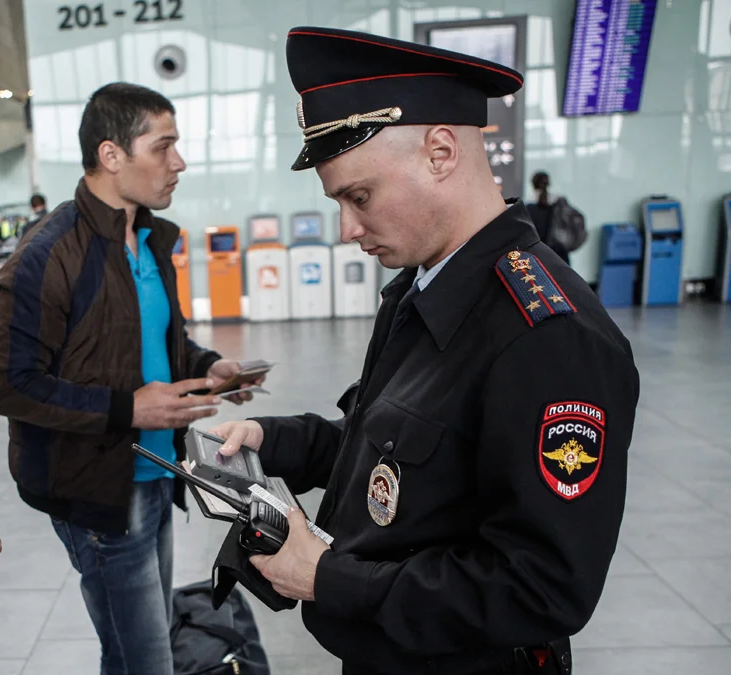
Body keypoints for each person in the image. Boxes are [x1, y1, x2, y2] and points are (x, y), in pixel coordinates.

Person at [209, 28, 639, 675]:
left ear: (441, 152)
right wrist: (277, 441)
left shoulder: (548, 337)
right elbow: (396, 450)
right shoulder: (423, 288)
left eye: (360, 196)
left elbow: (541, 587)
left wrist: (329, 577)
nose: (348, 229)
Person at [0, 82, 263, 675]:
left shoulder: (150, 240)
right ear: (111, 155)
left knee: (136, 652)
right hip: (100, 492)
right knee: (148, 661)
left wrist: (207, 367)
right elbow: (8, 383)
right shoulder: (49, 254)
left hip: (157, 472)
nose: (178, 162)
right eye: (163, 147)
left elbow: (152, 341)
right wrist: (127, 410)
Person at [527, 171, 572, 264]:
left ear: (533, 185)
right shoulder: (559, 203)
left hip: (539, 253)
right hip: (560, 252)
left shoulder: (528, 206)